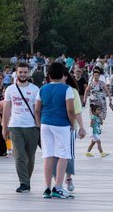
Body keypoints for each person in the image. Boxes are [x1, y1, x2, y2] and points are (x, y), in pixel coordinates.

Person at [35, 62, 76, 199]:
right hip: (61, 124)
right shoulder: (67, 89)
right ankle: (58, 187)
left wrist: (39, 123)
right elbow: (70, 110)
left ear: (49, 75)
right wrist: (72, 124)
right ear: (62, 73)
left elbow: (37, 109)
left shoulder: (43, 89)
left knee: (48, 155)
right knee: (63, 155)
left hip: (45, 123)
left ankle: (47, 188)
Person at [3, 62, 40, 193]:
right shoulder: (10, 89)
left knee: (30, 157)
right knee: (19, 156)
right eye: (20, 72)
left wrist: (39, 126)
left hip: (31, 127)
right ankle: (23, 183)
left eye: (25, 72)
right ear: (16, 73)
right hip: (15, 126)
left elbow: (37, 110)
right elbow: (6, 109)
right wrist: (4, 127)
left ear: (28, 73)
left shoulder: (35, 89)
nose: (23, 74)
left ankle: (27, 180)